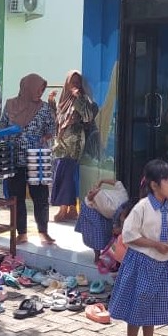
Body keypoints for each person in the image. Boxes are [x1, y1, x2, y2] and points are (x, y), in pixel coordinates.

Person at [108, 159, 168, 336]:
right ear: (154, 185)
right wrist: (154, 244)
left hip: (161, 264)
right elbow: (129, 234)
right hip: (142, 263)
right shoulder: (142, 208)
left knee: (151, 305)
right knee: (137, 304)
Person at [0, 73, 57, 245]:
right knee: (16, 197)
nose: (39, 93)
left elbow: (52, 129)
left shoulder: (45, 108)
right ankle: (21, 232)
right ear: (27, 88)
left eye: (42, 90)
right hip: (14, 157)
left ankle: (43, 231)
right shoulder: (10, 105)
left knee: (40, 195)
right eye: (37, 89)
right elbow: (2, 126)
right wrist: (8, 133)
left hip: (37, 157)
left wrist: (44, 138)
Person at [50, 70, 98, 222]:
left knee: (66, 174)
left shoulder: (82, 99)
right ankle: (71, 209)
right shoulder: (64, 101)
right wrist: (52, 104)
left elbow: (88, 117)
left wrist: (79, 98)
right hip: (61, 144)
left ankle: (64, 209)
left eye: (78, 83)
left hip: (75, 145)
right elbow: (57, 122)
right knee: (66, 176)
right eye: (73, 82)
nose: (75, 85)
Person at [76, 179, 119, 263]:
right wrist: (100, 186)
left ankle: (107, 255)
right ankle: (97, 257)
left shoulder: (112, 200)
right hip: (95, 220)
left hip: (104, 219)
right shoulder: (91, 201)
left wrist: (101, 183)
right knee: (98, 237)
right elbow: (89, 197)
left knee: (107, 237)